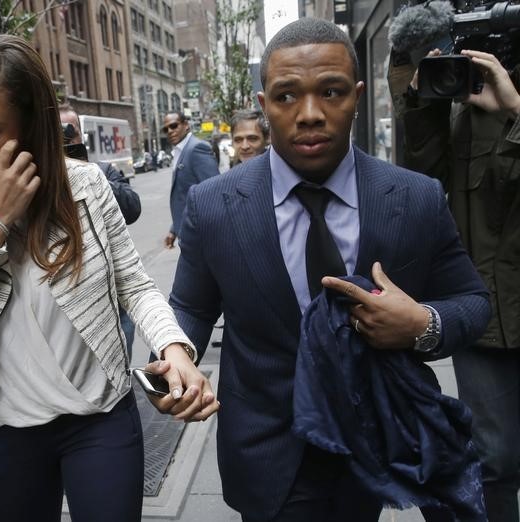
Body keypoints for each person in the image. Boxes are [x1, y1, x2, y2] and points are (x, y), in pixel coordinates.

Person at [148, 18, 490, 522]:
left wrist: (421, 326)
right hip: (270, 454)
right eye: (287, 97)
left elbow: (473, 303)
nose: (310, 114)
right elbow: (191, 309)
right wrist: (175, 358)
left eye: (330, 92)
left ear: (355, 97)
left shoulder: (414, 198)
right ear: (264, 108)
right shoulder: (214, 205)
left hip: (376, 448)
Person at [0, 34, 219, 522]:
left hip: (100, 421)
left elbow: (133, 284)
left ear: (30, 127)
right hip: (2, 432)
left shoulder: (84, 185)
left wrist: (175, 350)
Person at [392, 47, 520, 522]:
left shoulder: (503, 98)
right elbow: (424, 181)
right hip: (487, 314)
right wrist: (424, 99)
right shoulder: (465, 96)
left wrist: (516, 110)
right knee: (495, 462)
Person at [59, 103, 141, 356]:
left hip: (112, 296)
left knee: (119, 364)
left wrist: (87, 174)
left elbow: (132, 208)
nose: (63, 137)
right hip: (67, 300)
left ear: (80, 135)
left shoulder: (101, 171)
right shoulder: (38, 177)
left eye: (68, 131)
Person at [161, 111, 219, 248]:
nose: (170, 131)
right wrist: (174, 229)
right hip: (188, 233)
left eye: (174, 126)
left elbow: (215, 191)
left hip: (201, 234)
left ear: (186, 125)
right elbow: (184, 196)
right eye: (166, 129)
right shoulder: (180, 151)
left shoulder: (197, 148)